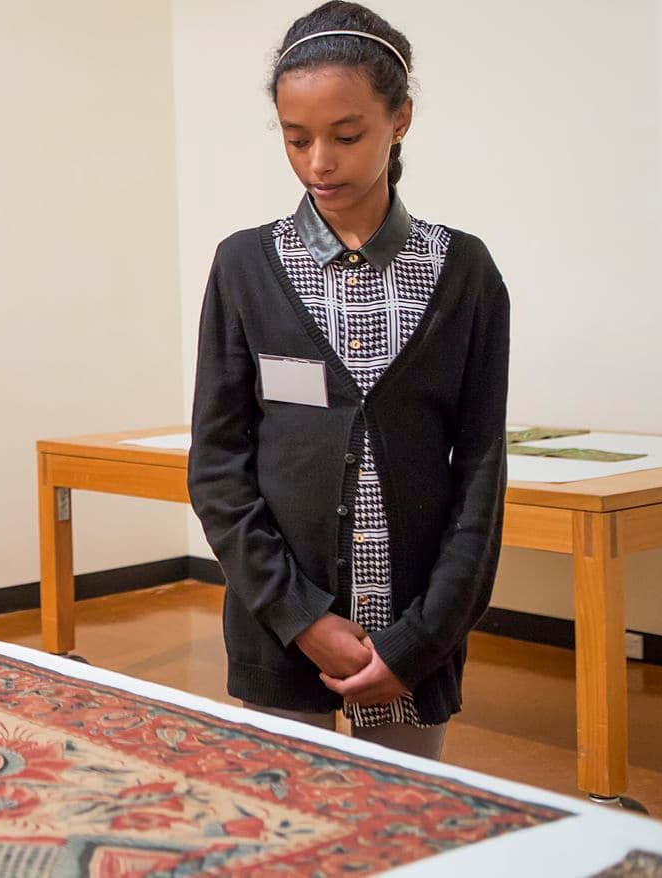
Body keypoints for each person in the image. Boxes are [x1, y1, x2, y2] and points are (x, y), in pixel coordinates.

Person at [188, 1, 510, 759]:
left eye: (346, 136)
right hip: (278, 630)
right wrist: (302, 617)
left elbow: (481, 474)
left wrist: (420, 642)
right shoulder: (244, 266)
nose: (318, 165)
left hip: (411, 638)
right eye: (296, 140)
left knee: (407, 835)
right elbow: (218, 468)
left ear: (400, 121)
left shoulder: (463, 272)